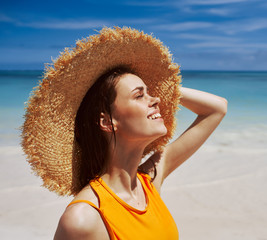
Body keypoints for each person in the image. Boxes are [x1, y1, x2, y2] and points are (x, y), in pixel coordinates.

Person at [22, 27, 227, 240]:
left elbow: (217, 108)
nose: (156, 99)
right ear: (107, 122)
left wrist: (165, 86)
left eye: (151, 93)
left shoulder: (148, 182)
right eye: (139, 96)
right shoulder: (84, 218)